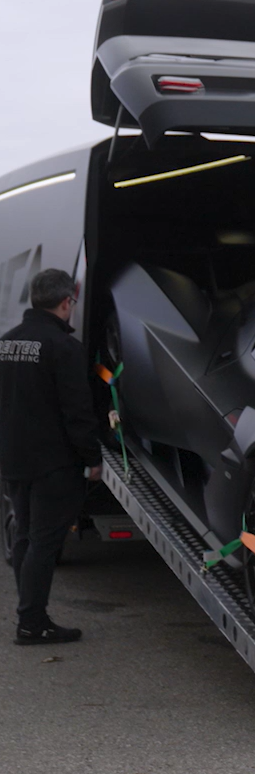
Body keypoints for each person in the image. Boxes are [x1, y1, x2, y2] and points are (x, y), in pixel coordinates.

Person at [0, 269, 102, 644]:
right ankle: (31, 623)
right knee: (44, 542)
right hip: (53, 464)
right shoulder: (64, 348)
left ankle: (29, 617)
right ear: (66, 302)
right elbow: (77, 411)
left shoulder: (6, 342)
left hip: (13, 459)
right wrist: (92, 458)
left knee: (25, 537)